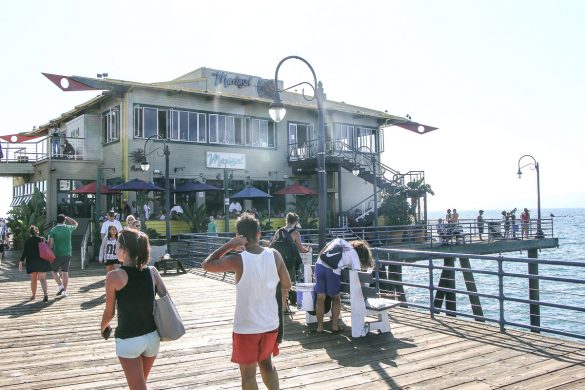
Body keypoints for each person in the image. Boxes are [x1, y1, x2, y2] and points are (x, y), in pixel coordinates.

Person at [202, 212, 291, 390]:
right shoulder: (274, 254)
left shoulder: (237, 259)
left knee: (248, 376)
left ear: (239, 237)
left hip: (247, 326)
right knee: (267, 365)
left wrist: (228, 245)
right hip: (270, 323)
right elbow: (287, 284)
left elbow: (206, 264)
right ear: (259, 233)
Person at [101, 228, 163, 390]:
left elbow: (110, 312)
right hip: (152, 338)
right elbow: (165, 299)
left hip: (129, 339)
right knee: (139, 384)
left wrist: (103, 327)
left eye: (118, 245)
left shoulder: (114, 276)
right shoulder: (152, 271)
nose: (115, 248)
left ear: (123, 250)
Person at [314, 238, 373, 333]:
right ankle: (334, 326)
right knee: (336, 298)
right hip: (332, 271)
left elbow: (322, 251)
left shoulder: (339, 240)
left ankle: (319, 327)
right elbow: (358, 279)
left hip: (319, 265)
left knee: (320, 297)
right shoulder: (355, 257)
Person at [269, 212, 310, 311]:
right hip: (289, 262)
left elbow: (271, 245)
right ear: (295, 222)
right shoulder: (295, 233)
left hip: (278, 260)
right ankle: (284, 305)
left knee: (278, 282)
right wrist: (308, 250)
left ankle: (281, 304)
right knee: (288, 283)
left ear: (286, 220)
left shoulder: (279, 231)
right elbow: (301, 249)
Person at [48, 214, 78, 297]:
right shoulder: (68, 228)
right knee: (65, 272)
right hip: (68, 253)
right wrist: (68, 218)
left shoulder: (53, 230)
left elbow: (50, 244)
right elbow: (76, 224)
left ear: (57, 220)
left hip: (57, 254)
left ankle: (60, 286)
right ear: (64, 220)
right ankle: (64, 291)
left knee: (54, 271)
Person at [19, 225, 51, 302]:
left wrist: (21, 262)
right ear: (37, 232)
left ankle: (33, 295)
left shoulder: (28, 241)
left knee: (33, 279)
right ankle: (45, 294)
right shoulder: (42, 239)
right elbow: (48, 249)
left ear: (30, 233)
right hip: (42, 261)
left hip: (32, 262)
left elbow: (25, 252)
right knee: (43, 279)